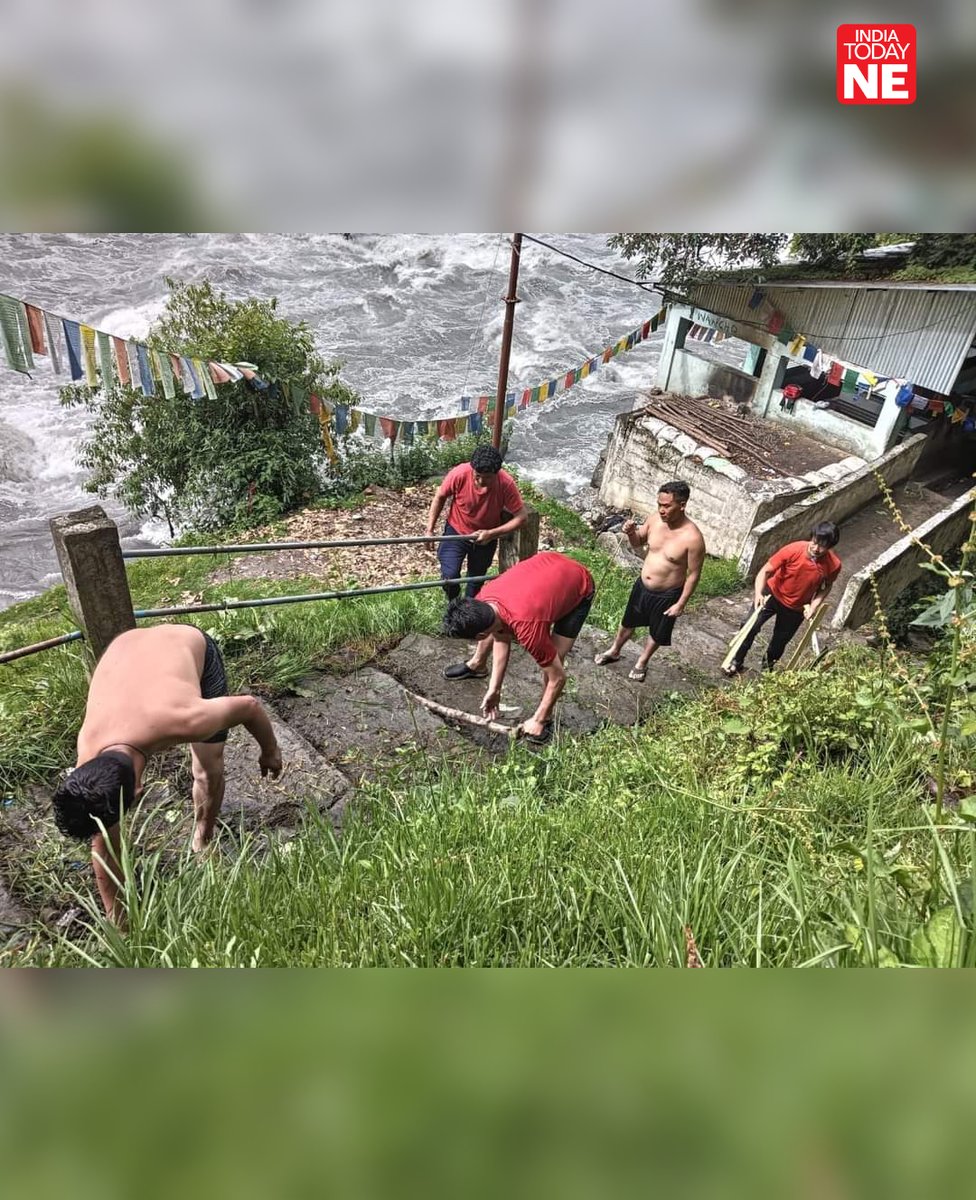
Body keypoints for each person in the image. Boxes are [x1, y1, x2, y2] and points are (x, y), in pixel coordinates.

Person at [51, 623, 282, 923]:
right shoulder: (89, 758)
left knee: (208, 769)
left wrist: (270, 751)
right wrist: (119, 922)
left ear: (139, 792)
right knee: (106, 831)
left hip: (185, 642)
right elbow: (104, 850)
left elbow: (249, 706)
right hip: (124, 646)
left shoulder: (188, 720)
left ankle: (203, 837)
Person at [442, 551, 594, 745]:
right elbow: (500, 636)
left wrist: (537, 719)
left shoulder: (528, 629)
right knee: (500, 624)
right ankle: (478, 665)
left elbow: (559, 677)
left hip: (579, 584)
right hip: (549, 569)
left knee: (554, 660)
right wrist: (494, 689)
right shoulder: (483, 599)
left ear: (480, 636)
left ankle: (543, 718)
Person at [593, 480, 706, 682]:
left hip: (668, 593)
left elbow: (694, 573)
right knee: (628, 621)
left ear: (682, 505)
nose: (661, 510)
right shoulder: (654, 520)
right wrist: (630, 533)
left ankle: (642, 661)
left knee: (657, 630)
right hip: (643, 585)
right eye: (659, 504)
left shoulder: (693, 538)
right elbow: (639, 541)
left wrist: (681, 603)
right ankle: (615, 650)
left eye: (666, 506)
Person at [721, 521, 841, 677]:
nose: (816, 549)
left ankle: (767, 669)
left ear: (830, 546)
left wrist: (813, 607)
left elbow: (826, 587)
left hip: (796, 608)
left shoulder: (834, 565)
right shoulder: (793, 550)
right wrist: (758, 594)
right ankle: (736, 661)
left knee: (779, 642)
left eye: (822, 546)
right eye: (815, 542)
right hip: (771, 595)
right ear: (811, 538)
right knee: (749, 627)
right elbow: (765, 571)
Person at [425, 444, 527, 600]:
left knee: (476, 579)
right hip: (456, 531)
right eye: (477, 475)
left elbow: (521, 516)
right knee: (449, 576)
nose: (481, 481)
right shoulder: (460, 473)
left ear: (496, 474)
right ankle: (454, 604)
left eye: (487, 478)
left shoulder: (506, 483)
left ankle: (469, 609)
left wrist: (492, 534)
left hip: (486, 537)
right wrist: (429, 530)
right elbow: (440, 496)